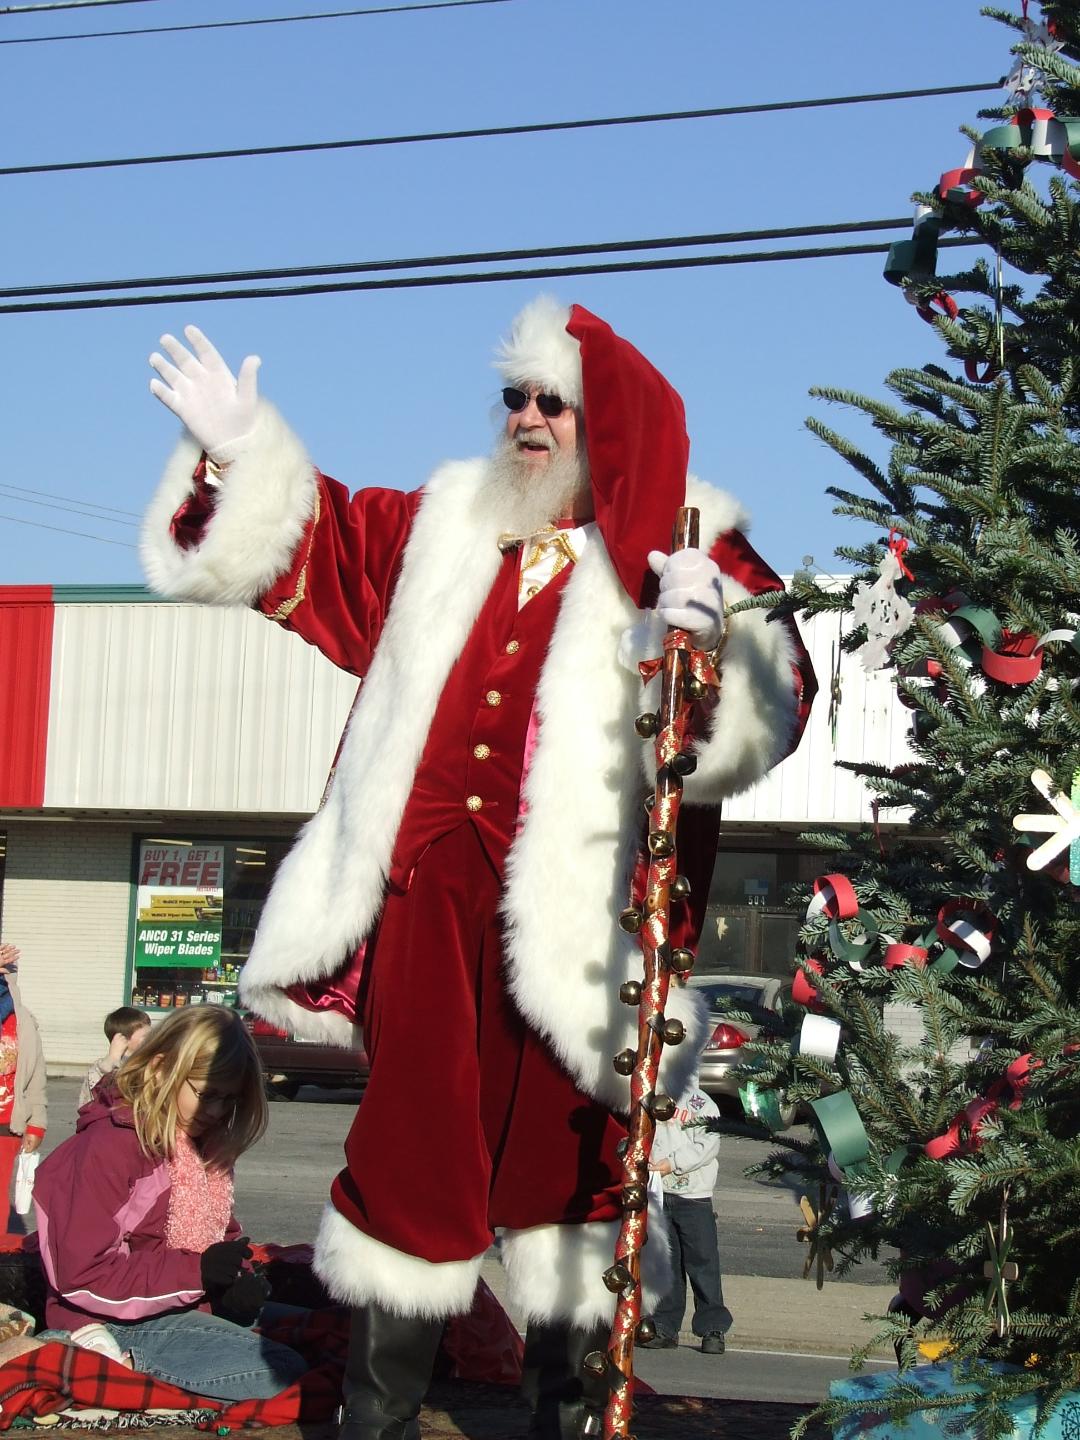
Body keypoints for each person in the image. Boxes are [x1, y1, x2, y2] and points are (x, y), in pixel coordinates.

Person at [141, 297, 817, 1439]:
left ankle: (563, 1417)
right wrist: (242, 451)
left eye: (556, 400)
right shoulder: (446, 524)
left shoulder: (688, 542)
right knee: (406, 1169)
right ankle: (376, 1421)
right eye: (516, 397)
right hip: (423, 921)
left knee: (572, 1190)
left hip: (576, 939)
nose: (530, 419)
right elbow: (319, 545)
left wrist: (706, 644)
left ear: (609, 423)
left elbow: (775, 700)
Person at [33, 1005, 307, 1400]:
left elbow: (223, 1242)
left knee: (330, 1333)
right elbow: (80, 1276)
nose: (216, 1112)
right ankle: (92, 1363)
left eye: (229, 1100)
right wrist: (198, 1275)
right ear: (161, 1068)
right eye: (207, 1094)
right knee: (283, 1371)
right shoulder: (110, 1148)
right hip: (106, 1319)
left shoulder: (201, 1148)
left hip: (186, 1304)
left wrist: (235, 1281)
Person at [640, 1074, 732, 1355]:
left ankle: (712, 1328)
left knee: (702, 1261)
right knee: (667, 1260)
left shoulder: (701, 1103)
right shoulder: (652, 1098)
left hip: (694, 1196)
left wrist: (673, 1163)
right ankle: (665, 1326)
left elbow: (707, 1145)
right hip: (658, 1192)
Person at [0, 944, 47, 1235]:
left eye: (8, 970)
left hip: (8, 1121)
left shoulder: (24, 1021)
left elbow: (36, 1073)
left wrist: (37, 1122)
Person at [78, 1006, 152, 1110]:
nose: (152, 1039)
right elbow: (89, 1101)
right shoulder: (100, 1070)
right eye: (146, 1036)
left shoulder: (149, 1063)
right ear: (122, 1039)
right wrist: (112, 1059)